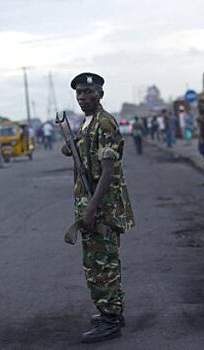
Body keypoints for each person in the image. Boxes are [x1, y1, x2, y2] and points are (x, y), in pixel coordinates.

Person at [62, 72, 135, 343]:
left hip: (101, 206)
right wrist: (69, 147)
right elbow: (86, 152)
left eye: (88, 92)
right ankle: (112, 311)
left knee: (101, 264)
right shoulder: (87, 123)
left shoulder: (104, 123)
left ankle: (110, 320)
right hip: (91, 203)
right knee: (100, 261)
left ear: (100, 95)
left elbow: (107, 170)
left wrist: (92, 209)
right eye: (79, 93)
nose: (82, 97)